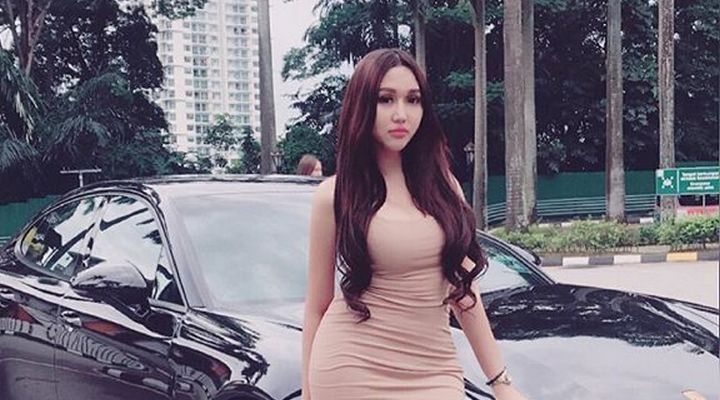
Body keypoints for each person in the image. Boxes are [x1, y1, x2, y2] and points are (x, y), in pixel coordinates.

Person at [302, 48, 527, 400]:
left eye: (413, 99)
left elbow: (464, 291)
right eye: (385, 99)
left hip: (435, 369)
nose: (401, 114)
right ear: (363, 105)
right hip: (351, 367)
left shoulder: (445, 189)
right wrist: (308, 394)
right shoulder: (335, 195)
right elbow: (317, 305)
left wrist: (501, 381)